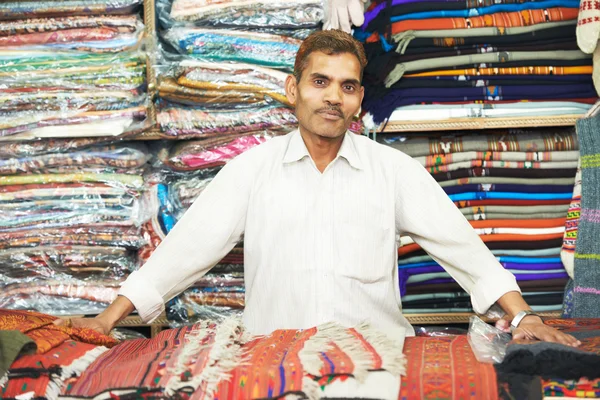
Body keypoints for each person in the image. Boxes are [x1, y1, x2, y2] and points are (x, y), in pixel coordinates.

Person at [57, 30, 580, 347]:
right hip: (274, 365)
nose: (334, 98)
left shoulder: (392, 170)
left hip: (377, 365)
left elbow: (462, 249)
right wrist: (108, 320)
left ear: (358, 100)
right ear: (294, 89)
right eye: (320, 82)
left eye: (348, 86)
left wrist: (524, 315)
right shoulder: (252, 170)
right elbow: (187, 251)